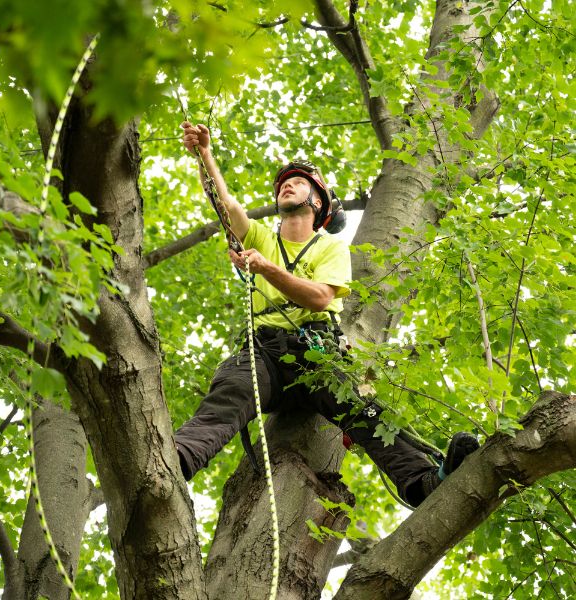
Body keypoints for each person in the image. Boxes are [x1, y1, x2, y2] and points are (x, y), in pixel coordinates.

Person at [174, 121, 479, 507]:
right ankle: (177, 459)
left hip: (315, 356)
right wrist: (204, 154)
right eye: (283, 183)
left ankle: (422, 481)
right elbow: (225, 205)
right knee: (230, 394)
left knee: (366, 412)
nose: (287, 185)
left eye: (299, 183)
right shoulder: (262, 238)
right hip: (264, 353)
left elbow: (319, 298)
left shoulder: (330, 247)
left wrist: (268, 270)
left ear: (317, 201)